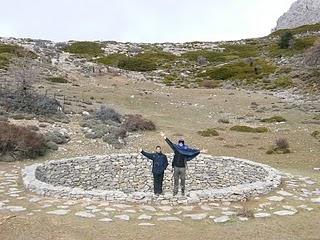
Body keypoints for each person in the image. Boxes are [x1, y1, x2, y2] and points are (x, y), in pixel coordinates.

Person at [160, 132, 206, 196]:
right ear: (178, 143)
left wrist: (200, 151)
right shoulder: (176, 148)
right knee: (176, 180)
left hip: (183, 168)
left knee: (183, 180)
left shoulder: (186, 150)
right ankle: (175, 192)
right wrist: (164, 137)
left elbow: (192, 152)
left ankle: (182, 191)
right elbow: (170, 144)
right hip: (176, 167)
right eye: (180, 142)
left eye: (182, 142)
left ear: (183, 143)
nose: (181, 143)